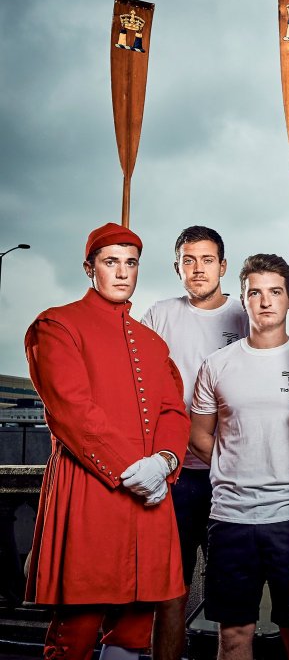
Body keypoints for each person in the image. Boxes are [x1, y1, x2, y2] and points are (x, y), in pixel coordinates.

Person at [25, 222, 190, 660]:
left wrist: (166, 461)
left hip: (151, 497)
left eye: (130, 263)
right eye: (110, 262)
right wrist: (135, 469)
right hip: (90, 494)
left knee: (136, 632)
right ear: (89, 267)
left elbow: (174, 410)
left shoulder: (153, 343)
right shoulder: (56, 324)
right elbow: (72, 410)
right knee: (75, 632)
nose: (122, 272)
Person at [189, 253, 289, 660]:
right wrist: (237, 464)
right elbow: (199, 436)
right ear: (244, 299)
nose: (265, 301)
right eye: (255, 292)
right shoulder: (217, 365)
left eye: (275, 292)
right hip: (232, 517)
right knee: (233, 634)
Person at [140, 226, 248, 660]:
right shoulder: (159, 315)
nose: (198, 268)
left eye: (207, 260)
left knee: (229, 596)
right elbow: (139, 387)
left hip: (231, 477)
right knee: (169, 589)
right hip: (174, 475)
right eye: (189, 260)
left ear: (223, 266)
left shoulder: (245, 314)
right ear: (177, 267)